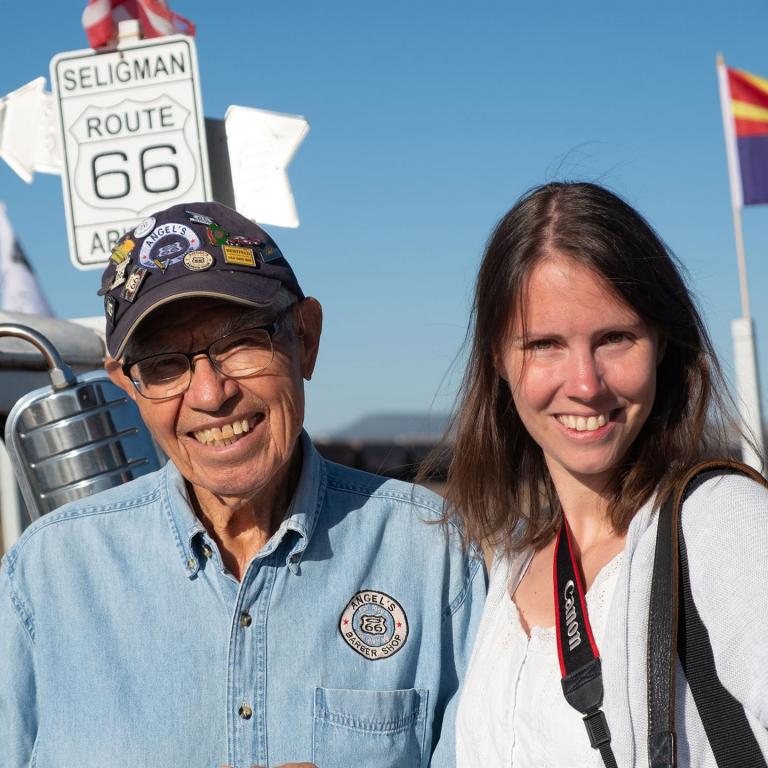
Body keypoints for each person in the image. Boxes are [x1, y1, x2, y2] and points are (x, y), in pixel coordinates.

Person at [0, 202, 486, 768]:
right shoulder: (48, 574)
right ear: (128, 386)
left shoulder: (434, 554)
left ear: (306, 337)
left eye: (240, 342)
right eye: (164, 364)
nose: (210, 394)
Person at [440, 182, 768, 766]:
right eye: (545, 344)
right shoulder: (514, 562)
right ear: (497, 358)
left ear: (662, 342)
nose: (586, 384)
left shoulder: (720, 523)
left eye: (615, 338)